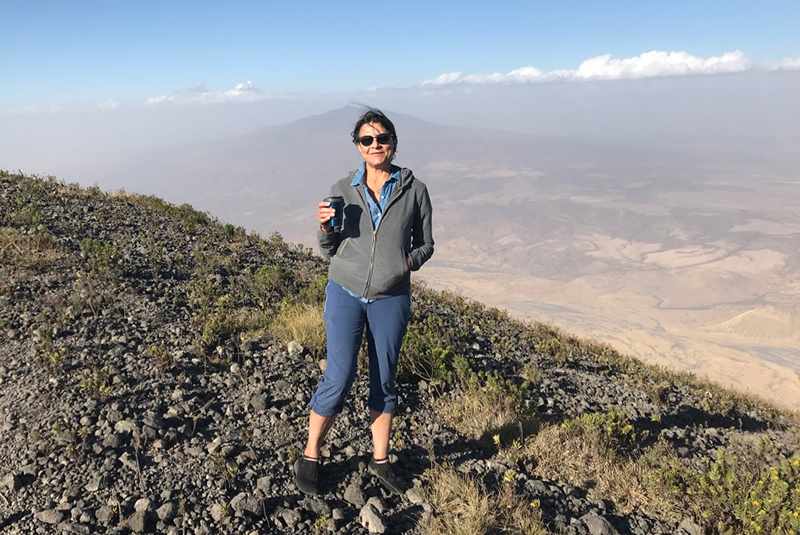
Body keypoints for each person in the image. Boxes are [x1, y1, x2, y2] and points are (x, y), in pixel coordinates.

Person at [294, 108, 434, 496]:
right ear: (358, 146)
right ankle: (310, 454)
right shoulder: (343, 188)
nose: (376, 145)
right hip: (345, 291)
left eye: (382, 138)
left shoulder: (415, 190)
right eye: (367, 140)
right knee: (338, 378)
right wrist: (324, 229)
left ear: (394, 143)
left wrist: (403, 264)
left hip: (391, 297)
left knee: (384, 379)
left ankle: (380, 459)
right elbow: (328, 249)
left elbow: (426, 243)